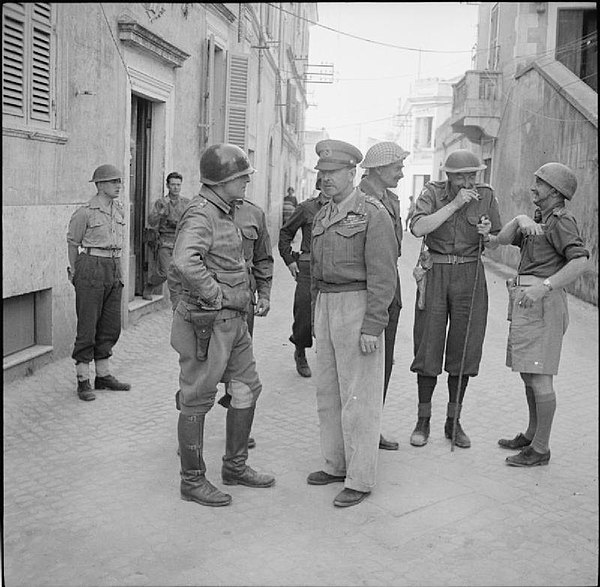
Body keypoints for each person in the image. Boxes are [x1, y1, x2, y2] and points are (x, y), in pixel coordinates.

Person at [168, 143, 275, 508]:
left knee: (247, 387)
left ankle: (235, 466)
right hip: (208, 322)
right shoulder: (202, 214)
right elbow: (184, 261)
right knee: (197, 398)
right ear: (222, 180)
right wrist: (214, 295)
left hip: (234, 323)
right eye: (241, 176)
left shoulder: (228, 211)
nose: (246, 180)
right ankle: (193, 481)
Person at [307, 139, 397, 508]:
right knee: (328, 391)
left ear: (352, 173)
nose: (325, 180)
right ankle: (335, 463)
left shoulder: (373, 213)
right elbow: (314, 270)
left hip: (358, 305)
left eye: (332, 173)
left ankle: (359, 479)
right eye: (322, 174)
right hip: (327, 304)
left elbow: (383, 275)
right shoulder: (322, 214)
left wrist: (373, 326)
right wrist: (316, 312)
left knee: (359, 396)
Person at [481, 162, 589, 467]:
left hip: (542, 304)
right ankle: (531, 434)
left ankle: (540, 449)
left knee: (540, 377)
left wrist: (545, 287)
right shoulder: (538, 220)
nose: (533, 187)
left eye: (539, 183)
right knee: (529, 373)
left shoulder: (561, 221)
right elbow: (502, 240)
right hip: (527, 303)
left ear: (555, 191)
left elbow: (580, 262)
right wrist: (518, 218)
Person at [408, 149, 502, 449]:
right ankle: (423, 420)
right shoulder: (432, 193)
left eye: (472, 175)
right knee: (428, 346)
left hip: (470, 274)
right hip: (436, 272)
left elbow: (496, 241)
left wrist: (488, 235)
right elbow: (418, 227)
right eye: (461, 176)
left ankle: (453, 421)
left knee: (465, 348)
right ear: (448, 175)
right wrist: (454, 204)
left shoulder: (486, 195)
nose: (468, 181)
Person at [359, 141, 410, 451]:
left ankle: (371, 427)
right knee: (364, 367)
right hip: (368, 291)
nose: (402, 173)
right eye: (397, 167)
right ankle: (360, 431)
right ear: (378, 169)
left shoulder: (390, 199)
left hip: (389, 288)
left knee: (384, 364)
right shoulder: (359, 199)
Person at [67, 164, 131, 401]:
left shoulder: (119, 210)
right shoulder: (85, 212)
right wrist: (75, 271)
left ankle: (102, 375)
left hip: (113, 268)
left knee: (110, 325)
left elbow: (119, 245)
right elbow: (73, 242)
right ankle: (83, 379)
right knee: (88, 325)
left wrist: (120, 272)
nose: (118, 185)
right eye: (113, 181)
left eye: (118, 181)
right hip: (91, 266)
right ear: (100, 185)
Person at [215, 196, 274, 450]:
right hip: (209, 300)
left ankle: (236, 432)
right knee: (202, 369)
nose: (243, 183)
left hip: (242, 298)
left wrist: (265, 293)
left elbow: (263, 258)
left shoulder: (254, 213)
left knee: (239, 368)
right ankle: (192, 434)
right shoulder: (201, 211)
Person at [278, 173, 328, 378]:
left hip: (334, 268)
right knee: (304, 314)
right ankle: (300, 351)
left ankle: (327, 358)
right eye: (323, 182)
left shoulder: (344, 208)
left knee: (329, 314)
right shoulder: (306, 208)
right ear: (318, 185)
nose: (328, 186)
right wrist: (290, 260)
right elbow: (285, 234)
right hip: (308, 267)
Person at [143, 172, 191, 300]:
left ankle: (180, 298)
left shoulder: (186, 203)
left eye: (178, 185)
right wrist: (160, 213)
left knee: (182, 272)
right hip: (164, 241)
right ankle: (149, 285)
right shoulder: (161, 203)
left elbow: (192, 221)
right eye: (173, 185)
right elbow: (151, 221)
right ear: (167, 186)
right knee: (165, 272)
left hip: (180, 242)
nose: (176, 187)